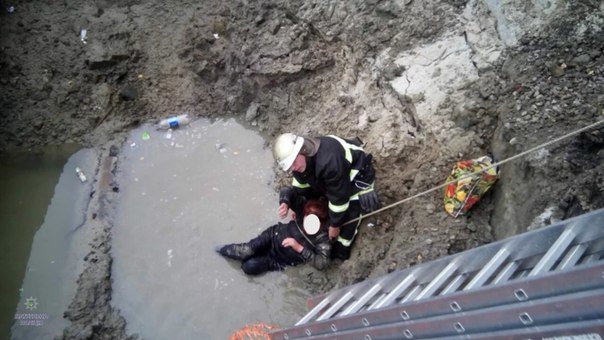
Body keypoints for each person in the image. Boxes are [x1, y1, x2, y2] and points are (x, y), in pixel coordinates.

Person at [272, 133, 380, 260]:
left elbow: (339, 199)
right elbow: (300, 186)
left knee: (348, 219)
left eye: (294, 163)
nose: (293, 168)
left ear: (302, 151)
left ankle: (341, 253)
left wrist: (335, 226)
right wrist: (296, 205)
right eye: (290, 167)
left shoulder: (329, 161)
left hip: (356, 177)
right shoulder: (300, 162)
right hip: (333, 180)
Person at [216, 196, 331, 275]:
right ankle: (216, 250)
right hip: (272, 237)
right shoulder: (301, 213)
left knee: (248, 267)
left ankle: (256, 258)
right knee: (245, 251)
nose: (308, 222)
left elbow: (322, 264)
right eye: (307, 217)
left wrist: (299, 248)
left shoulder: (322, 239)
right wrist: (285, 203)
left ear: (320, 223)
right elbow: (287, 191)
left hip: (280, 261)